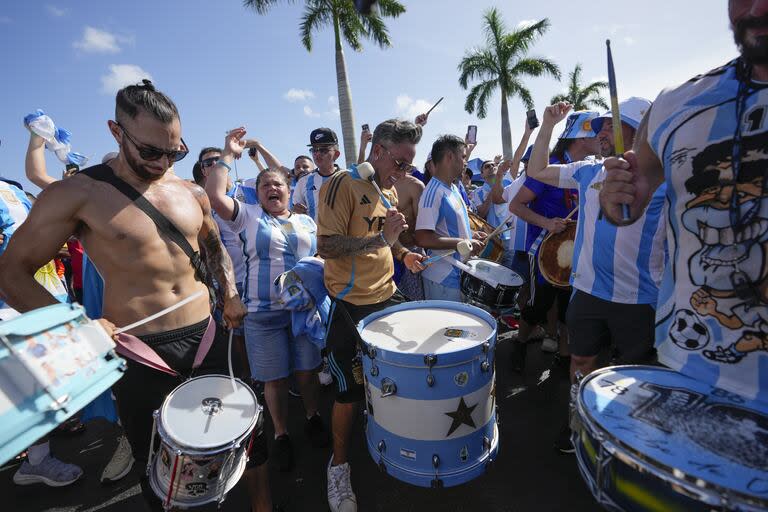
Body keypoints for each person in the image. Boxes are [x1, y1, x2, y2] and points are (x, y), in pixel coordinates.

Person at [0, 81, 274, 512]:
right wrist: (75, 326)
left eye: (174, 152)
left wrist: (231, 293)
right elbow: (10, 272)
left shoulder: (191, 192)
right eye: (151, 152)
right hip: (141, 350)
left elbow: (214, 246)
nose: (163, 162)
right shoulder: (77, 194)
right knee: (162, 470)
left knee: (250, 434)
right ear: (116, 132)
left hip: (207, 335)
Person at [600, 0, 768, 403]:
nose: (757, 7)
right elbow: (629, 200)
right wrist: (617, 196)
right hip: (687, 368)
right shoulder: (677, 105)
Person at [528, 99, 664, 452]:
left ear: (640, 133)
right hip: (587, 293)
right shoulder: (588, 170)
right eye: (601, 126)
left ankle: (625, 442)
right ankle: (579, 424)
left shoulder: (662, 180)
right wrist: (546, 125)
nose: (602, 131)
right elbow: (537, 171)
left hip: (639, 299)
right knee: (582, 361)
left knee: (633, 377)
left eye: (613, 125)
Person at [206, 127, 330, 473]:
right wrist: (228, 153)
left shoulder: (307, 221)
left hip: (303, 313)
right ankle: (280, 434)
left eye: (278, 185)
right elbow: (214, 195)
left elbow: (325, 256)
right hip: (262, 314)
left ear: (290, 191)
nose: (272, 188)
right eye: (265, 186)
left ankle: (313, 415)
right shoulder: (247, 215)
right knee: (274, 379)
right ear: (256, 194)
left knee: (307, 372)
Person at [317, 118, 426, 512]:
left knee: (405, 368)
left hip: (387, 295)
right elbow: (327, 246)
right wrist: (382, 240)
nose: (405, 172)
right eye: (400, 163)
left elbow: (388, 243)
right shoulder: (342, 185)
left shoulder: (388, 193)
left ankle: (389, 431)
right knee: (347, 391)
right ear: (377, 151)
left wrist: (403, 253)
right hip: (350, 306)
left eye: (410, 165)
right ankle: (339, 465)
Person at [508, 111, 597, 364]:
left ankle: (564, 355)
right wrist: (547, 223)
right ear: (580, 138)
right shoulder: (551, 166)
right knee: (538, 306)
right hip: (544, 253)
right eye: (594, 131)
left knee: (569, 310)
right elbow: (516, 206)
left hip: (576, 254)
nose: (602, 136)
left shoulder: (589, 170)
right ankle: (520, 344)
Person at [415, 135, 487, 301]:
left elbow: (450, 229)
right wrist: (461, 243)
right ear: (449, 157)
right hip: (441, 277)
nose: (465, 162)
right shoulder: (432, 191)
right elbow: (422, 237)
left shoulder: (453, 188)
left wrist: (470, 236)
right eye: (462, 156)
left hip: (458, 273)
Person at [292, 128, 343, 220]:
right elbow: (295, 214)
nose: (318, 154)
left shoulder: (347, 178)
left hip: (343, 234)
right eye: (314, 150)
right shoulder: (303, 182)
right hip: (314, 234)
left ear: (336, 154)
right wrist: (295, 211)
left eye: (324, 150)